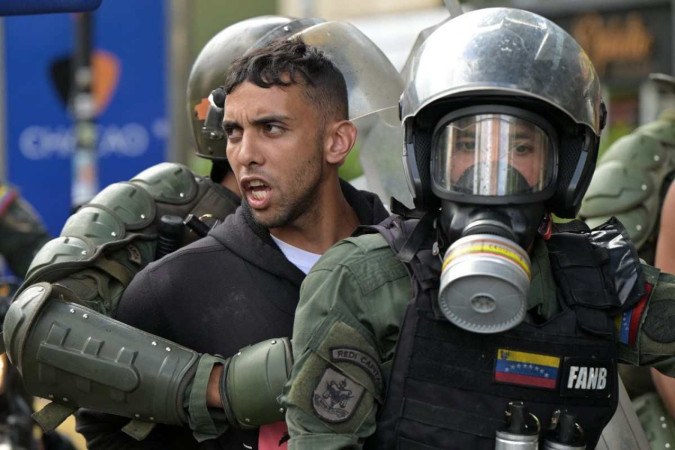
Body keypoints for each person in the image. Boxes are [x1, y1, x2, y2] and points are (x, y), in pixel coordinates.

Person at [283, 8, 675, 449]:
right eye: (467, 144)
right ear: (428, 160)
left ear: (565, 169)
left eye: (521, 146)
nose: (492, 168)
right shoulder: (362, 284)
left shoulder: (601, 285)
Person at [4, 26, 401, 449]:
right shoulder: (173, 286)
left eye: (271, 127)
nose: (247, 153)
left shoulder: (412, 263)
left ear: (338, 140)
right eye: (234, 132)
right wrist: (224, 388)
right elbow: (95, 412)